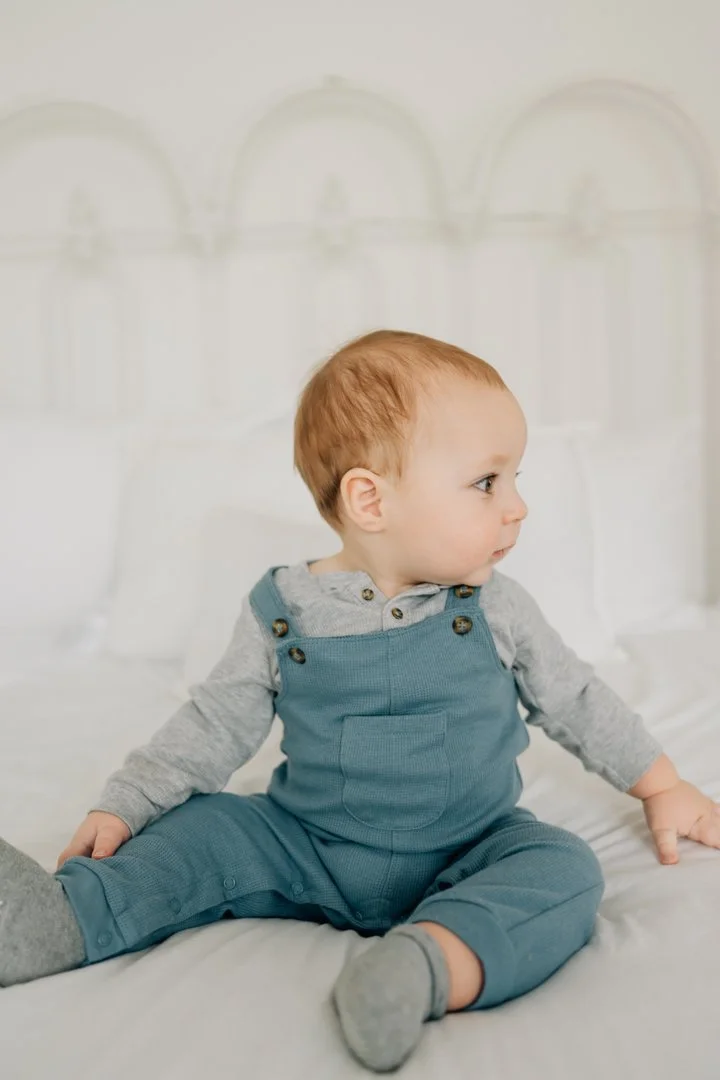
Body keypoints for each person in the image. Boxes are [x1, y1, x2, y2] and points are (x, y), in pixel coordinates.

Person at [2, 329, 719, 1074]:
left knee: (562, 867)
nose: (518, 507)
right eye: (487, 482)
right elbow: (214, 723)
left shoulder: (495, 608)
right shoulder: (284, 610)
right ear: (370, 498)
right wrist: (127, 803)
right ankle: (64, 919)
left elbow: (574, 696)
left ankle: (424, 966)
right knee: (204, 829)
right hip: (304, 843)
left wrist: (659, 783)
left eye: (515, 479)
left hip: (469, 846)